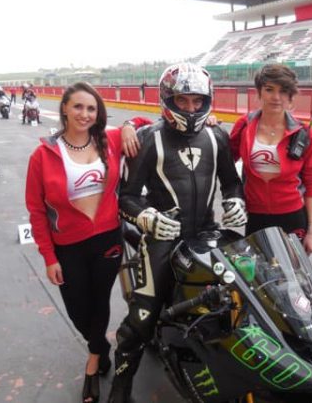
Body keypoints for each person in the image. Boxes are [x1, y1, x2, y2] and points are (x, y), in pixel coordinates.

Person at [107, 63, 247, 403]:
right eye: (182, 100)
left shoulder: (217, 136)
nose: (191, 108)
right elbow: (126, 197)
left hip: (208, 234)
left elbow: (232, 182)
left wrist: (235, 200)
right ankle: (120, 387)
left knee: (242, 298)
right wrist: (148, 218)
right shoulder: (148, 139)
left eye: (197, 101)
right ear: (167, 100)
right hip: (162, 238)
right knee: (142, 319)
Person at [25, 82, 152, 403]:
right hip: (67, 246)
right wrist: (49, 257)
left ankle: (94, 362)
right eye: (78, 106)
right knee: (78, 310)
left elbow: (149, 123)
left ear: (99, 113)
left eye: (92, 108)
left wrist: (127, 125)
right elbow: (36, 211)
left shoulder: (110, 139)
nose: (85, 114)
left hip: (107, 238)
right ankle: (100, 344)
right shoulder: (43, 155)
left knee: (99, 301)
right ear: (65, 109)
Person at [230, 64, 312, 254]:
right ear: (259, 92)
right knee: (257, 271)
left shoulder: (304, 134)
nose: (276, 97)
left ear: (291, 96)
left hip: (292, 216)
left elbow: (311, 183)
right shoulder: (244, 125)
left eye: (283, 91)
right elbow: (225, 161)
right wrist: (209, 125)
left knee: (292, 271)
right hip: (255, 217)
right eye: (269, 89)